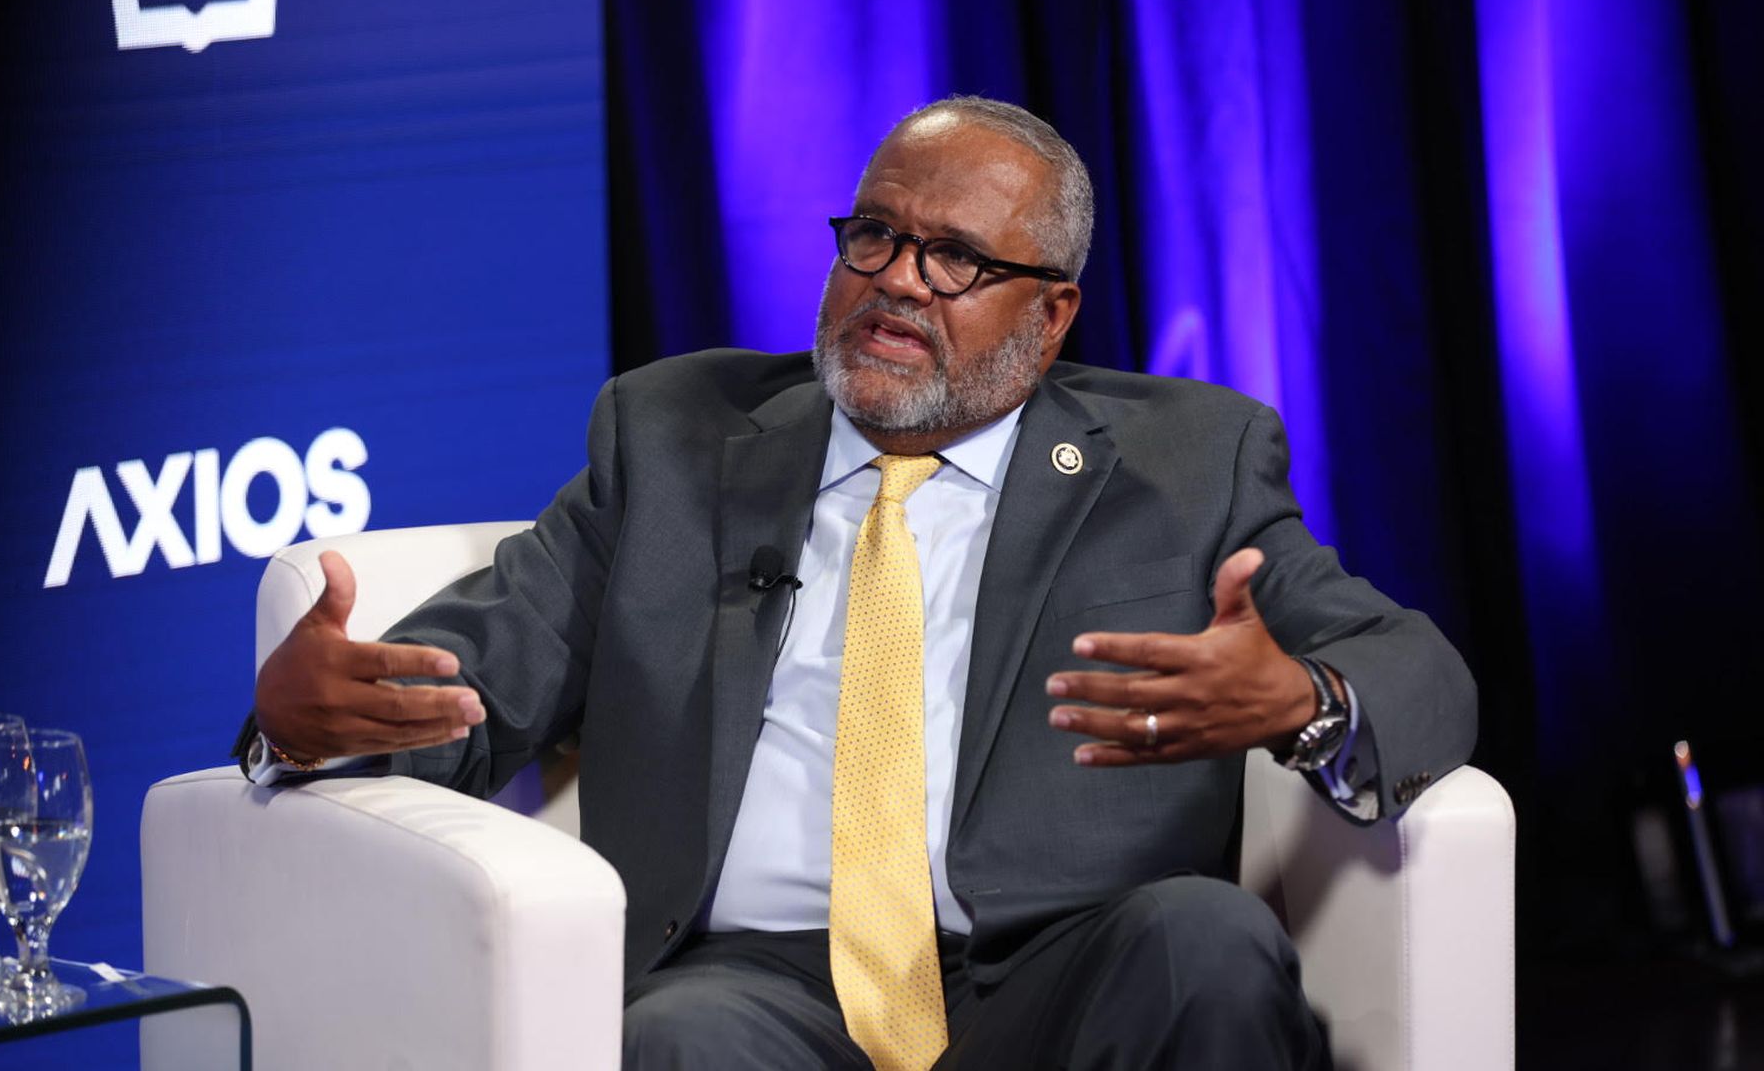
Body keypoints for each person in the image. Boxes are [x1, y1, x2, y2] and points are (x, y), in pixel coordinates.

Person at [241, 96, 1475, 1070]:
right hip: (756, 983)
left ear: (1050, 320)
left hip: (1062, 968)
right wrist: (298, 730)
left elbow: (1417, 671)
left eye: (954, 261)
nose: (895, 279)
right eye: (876, 235)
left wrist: (1306, 702)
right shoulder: (671, 438)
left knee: (1205, 943)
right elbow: (460, 678)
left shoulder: (1188, 461)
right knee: (673, 1042)